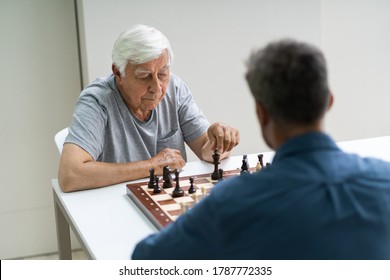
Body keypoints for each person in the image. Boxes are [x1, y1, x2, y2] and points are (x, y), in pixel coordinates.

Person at [131, 39, 390, 259]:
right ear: (328, 102)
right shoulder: (384, 179)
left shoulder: (231, 202)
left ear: (261, 113)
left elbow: (146, 258)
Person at [58, 24, 240, 192]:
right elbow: (70, 175)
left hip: (167, 200)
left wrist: (220, 140)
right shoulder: (97, 101)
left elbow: (206, 151)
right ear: (118, 73)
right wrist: (152, 165)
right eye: (145, 76)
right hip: (115, 207)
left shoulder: (175, 89)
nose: (157, 87)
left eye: (162, 74)